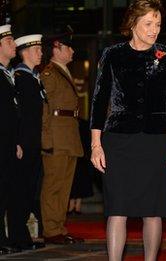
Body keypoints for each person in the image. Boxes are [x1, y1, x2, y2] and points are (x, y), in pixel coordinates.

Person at [89, 0, 166, 260]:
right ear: (132, 24)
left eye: (158, 24)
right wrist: (96, 145)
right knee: (116, 208)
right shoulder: (112, 54)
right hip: (118, 140)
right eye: (149, 24)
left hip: (156, 141)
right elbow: (98, 101)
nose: (155, 30)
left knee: (153, 210)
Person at [40, 26, 84, 244]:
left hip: (67, 137)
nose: (73, 51)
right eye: (69, 47)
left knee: (64, 187)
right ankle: (51, 230)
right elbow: (43, 110)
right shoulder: (48, 74)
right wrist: (46, 140)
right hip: (56, 139)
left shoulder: (62, 72)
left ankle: (58, 227)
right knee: (53, 185)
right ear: (57, 48)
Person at [7, 34, 47, 251]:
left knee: (29, 190)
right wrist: (19, 142)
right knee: (20, 191)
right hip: (25, 143)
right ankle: (17, 236)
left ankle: (21, 236)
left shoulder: (32, 78)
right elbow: (19, 115)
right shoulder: (21, 78)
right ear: (25, 52)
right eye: (37, 49)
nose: (41, 52)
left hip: (33, 143)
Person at [0, 24, 22, 255]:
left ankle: (2, 237)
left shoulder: (9, 75)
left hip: (7, 143)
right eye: (9, 42)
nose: (14, 45)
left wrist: (15, 141)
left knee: (5, 191)